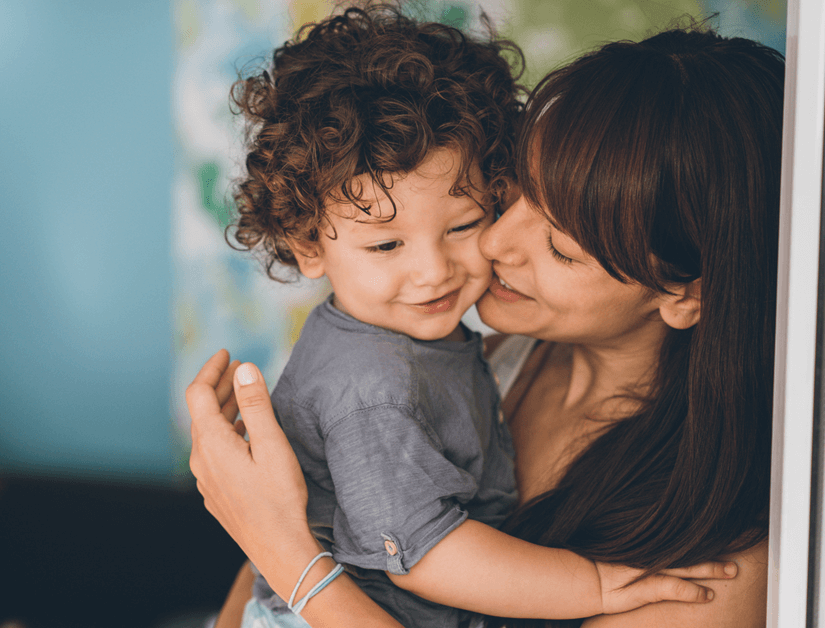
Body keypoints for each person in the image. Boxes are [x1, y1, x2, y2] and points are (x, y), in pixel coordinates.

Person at [188, 24, 784, 628]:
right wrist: (274, 542)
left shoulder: (715, 565)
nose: (495, 241)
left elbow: (283, 549)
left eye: (560, 247)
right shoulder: (473, 364)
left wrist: (284, 551)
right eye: (512, 192)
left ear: (685, 294)